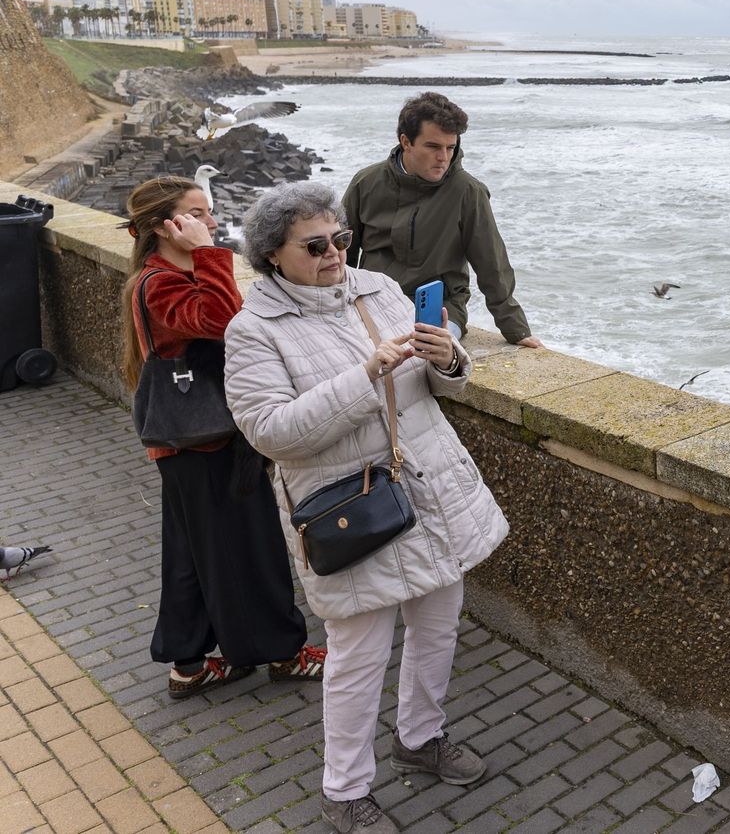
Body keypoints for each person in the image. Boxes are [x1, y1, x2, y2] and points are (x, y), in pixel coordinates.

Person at [225, 181, 510, 834]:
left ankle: (421, 737)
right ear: (272, 255)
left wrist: (450, 358)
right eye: (314, 246)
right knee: (358, 660)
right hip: (353, 513)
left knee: (438, 630)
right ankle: (345, 792)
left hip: (430, 491)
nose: (333, 253)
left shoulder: (378, 289)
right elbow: (271, 432)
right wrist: (365, 376)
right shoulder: (252, 331)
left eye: (341, 239)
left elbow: (434, 384)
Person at [117, 176, 323, 698]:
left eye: (208, 213)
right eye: (197, 214)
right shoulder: (159, 283)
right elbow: (225, 320)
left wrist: (203, 257)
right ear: (165, 225)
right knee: (250, 548)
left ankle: (188, 663)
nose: (210, 222)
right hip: (204, 442)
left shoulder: (168, 275)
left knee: (192, 554)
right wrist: (209, 255)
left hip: (190, 444)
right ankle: (283, 652)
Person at [341, 91, 542, 347]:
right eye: (433, 147)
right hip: (374, 302)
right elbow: (341, 253)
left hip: (440, 309)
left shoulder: (467, 192)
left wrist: (517, 331)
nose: (443, 157)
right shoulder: (366, 183)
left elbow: (492, 264)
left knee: (420, 353)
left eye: (450, 147)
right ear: (406, 142)